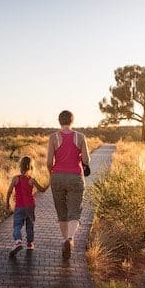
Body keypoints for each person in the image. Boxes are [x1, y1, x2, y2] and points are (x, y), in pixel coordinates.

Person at [47, 110, 90, 259]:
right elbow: (86, 160)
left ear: (59, 121)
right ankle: (70, 239)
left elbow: (48, 162)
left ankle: (64, 239)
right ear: (72, 121)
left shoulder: (53, 137)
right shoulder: (80, 137)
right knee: (74, 212)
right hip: (75, 177)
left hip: (57, 177)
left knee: (62, 211)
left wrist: (51, 174)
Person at [5, 156, 48, 257]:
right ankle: (30, 243)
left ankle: (18, 241)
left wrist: (7, 203)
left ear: (20, 166)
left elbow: (9, 191)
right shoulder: (32, 180)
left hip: (19, 206)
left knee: (17, 225)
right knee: (30, 226)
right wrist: (49, 183)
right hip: (30, 206)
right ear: (31, 168)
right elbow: (42, 190)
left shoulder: (16, 178)